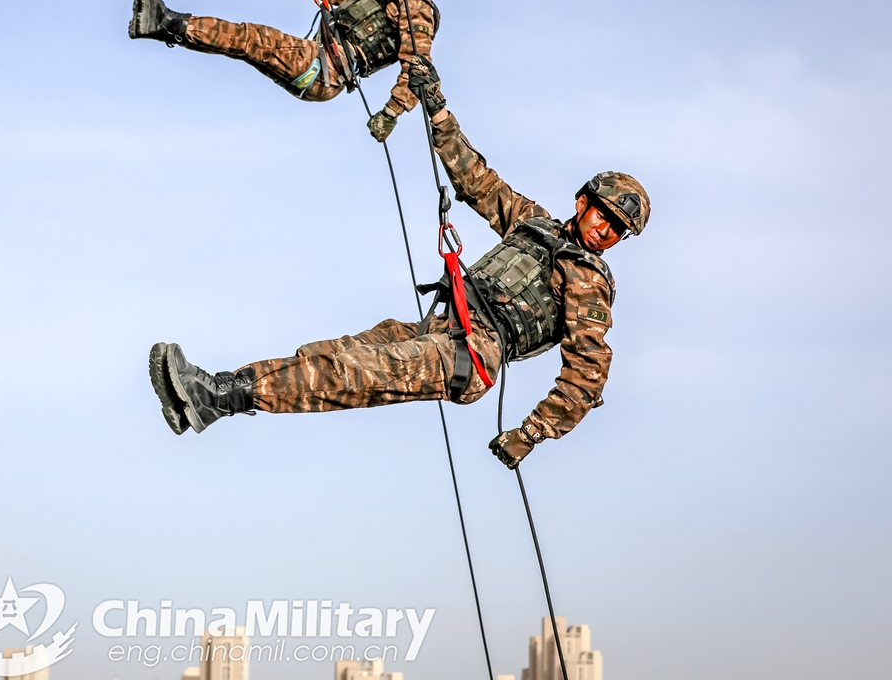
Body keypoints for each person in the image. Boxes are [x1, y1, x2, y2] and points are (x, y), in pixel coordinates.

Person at [148, 58, 651, 469]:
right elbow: (476, 178)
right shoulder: (533, 222)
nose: (605, 229)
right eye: (602, 214)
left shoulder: (588, 282)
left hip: (470, 353)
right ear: (583, 201)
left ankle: (213, 394)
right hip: (438, 324)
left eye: (617, 228)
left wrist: (530, 433)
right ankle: (210, 401)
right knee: (326, 358)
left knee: (351, 371)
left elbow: (588, 373)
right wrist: (436, 107)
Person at [128, 0, 461, 142]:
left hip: (326, 71)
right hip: (318, 61)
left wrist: (390, 113)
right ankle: (162, 27)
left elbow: (417, 67)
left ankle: (165, 21)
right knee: (248, 46)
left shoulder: (417, 11)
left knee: (252, 39)